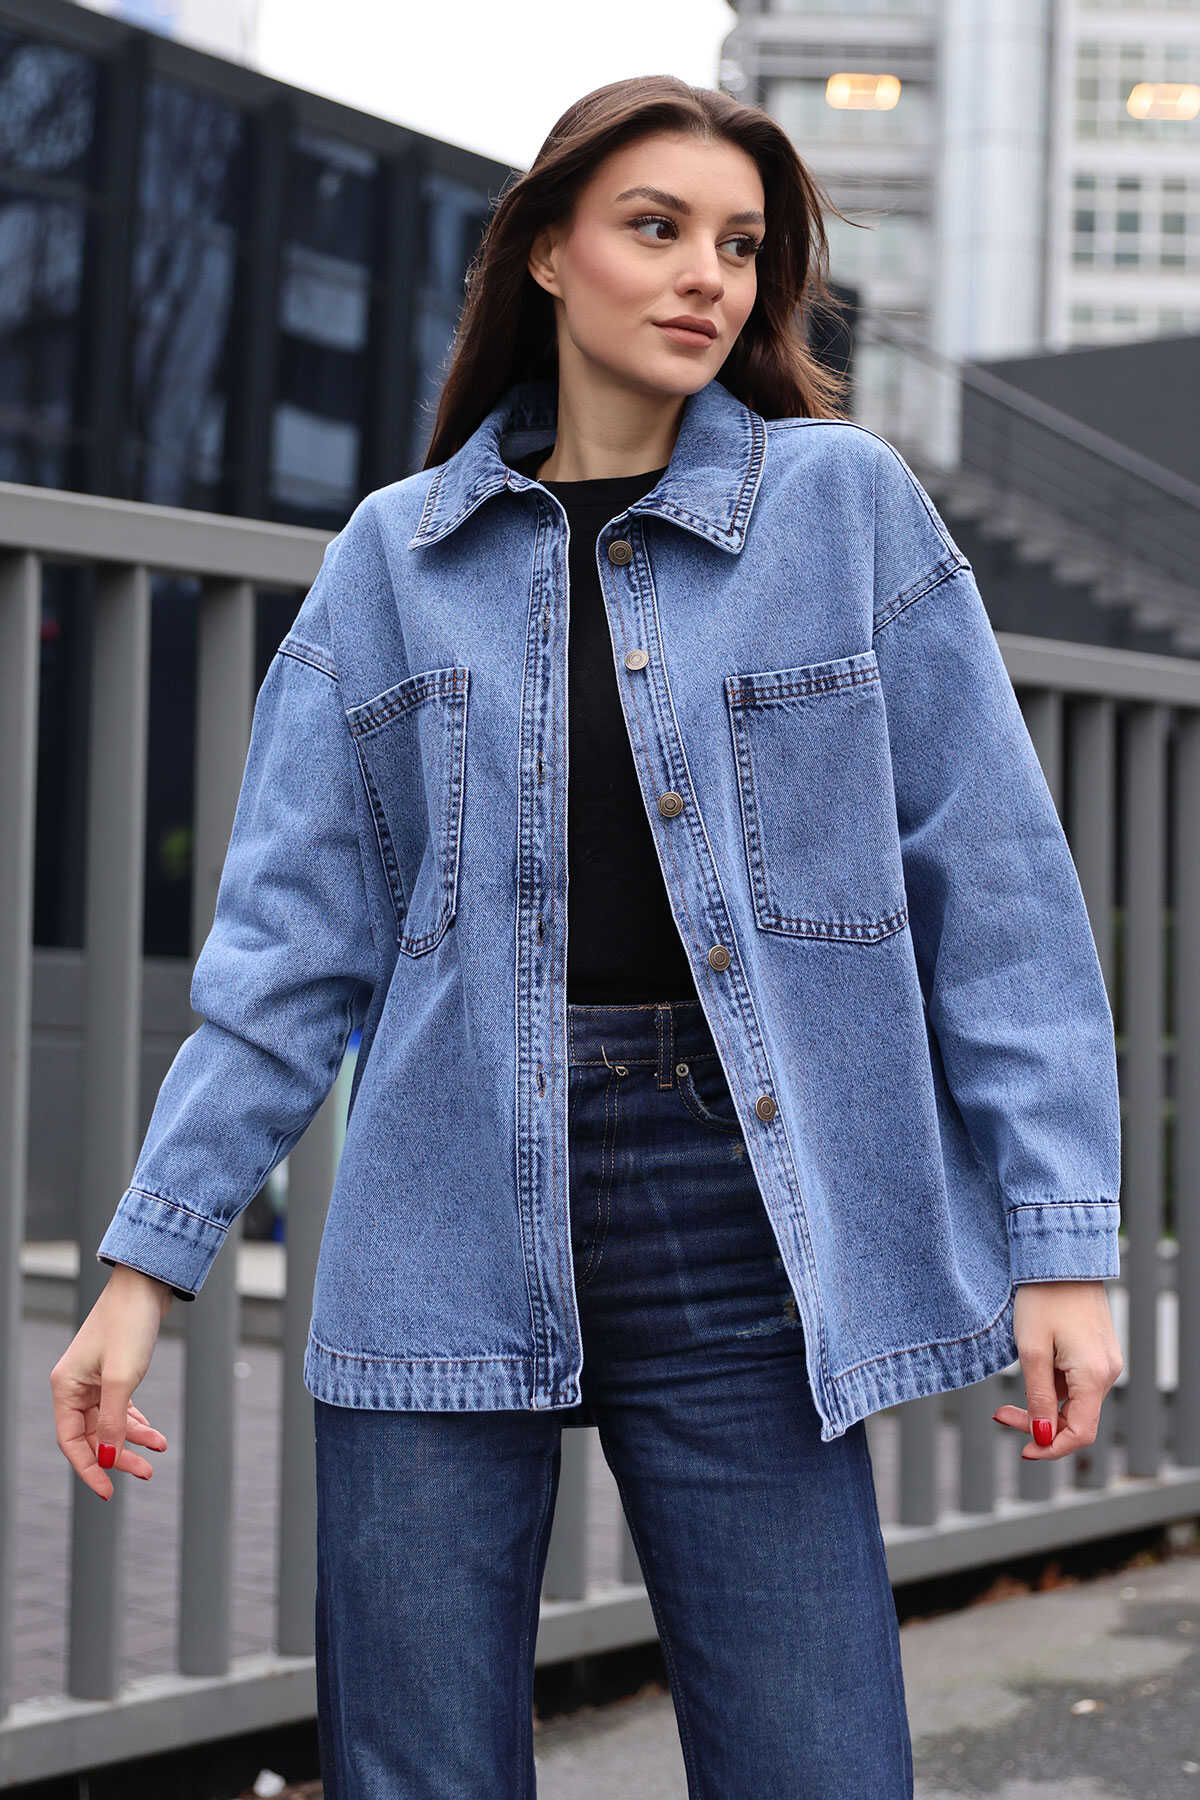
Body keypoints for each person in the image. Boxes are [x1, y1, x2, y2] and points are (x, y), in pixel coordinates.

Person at [51, 75, 1124, 1799]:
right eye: (656, 227)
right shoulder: (395, 562)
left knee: (818, 1767)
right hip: (445, 1187)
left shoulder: (842, 510)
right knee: (417, 1770)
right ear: (547, 252)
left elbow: (994, 891)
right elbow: (288, 955)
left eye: (741, 246)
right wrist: (143, 1267)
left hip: (739, 1207)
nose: (708, 275)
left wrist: (1063, 1240)